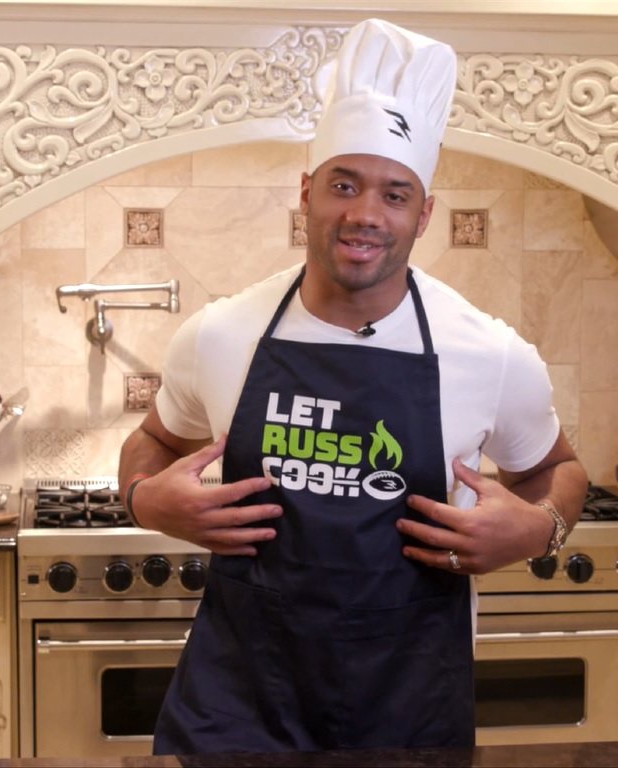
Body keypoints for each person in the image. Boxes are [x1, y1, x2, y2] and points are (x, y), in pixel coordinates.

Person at [116, 17, 589, 756]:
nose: (365, 214)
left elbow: (557, 471)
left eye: (395, 194)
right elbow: (150, 443)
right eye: (345, 184)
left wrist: (540, 528)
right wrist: (146, 498)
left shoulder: (488, 352)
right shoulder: (219, 334)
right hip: (239, 711)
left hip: (407, 716)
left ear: (423, 213)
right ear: (307, 192)